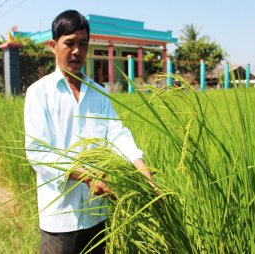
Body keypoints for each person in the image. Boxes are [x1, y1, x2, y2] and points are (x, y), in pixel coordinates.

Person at [24, 10, 154, 254]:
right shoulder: (39, 93)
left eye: (83, 44)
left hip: (96, 215)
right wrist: (85, 176)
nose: (77, 51)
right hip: (60, 217)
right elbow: (37, 152)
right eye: (69, 43)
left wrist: (141, 168)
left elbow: (116, 134)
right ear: (53, 46)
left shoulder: (98, 92)